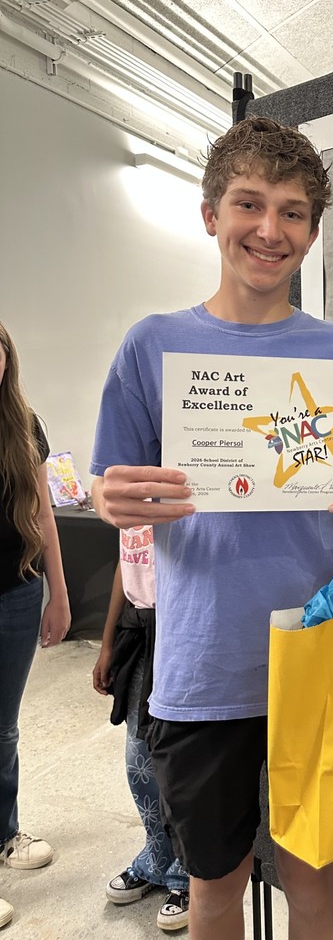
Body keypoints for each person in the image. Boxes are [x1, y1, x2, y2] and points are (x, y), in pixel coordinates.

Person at [89, 116, 333, 940]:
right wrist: (113, 498)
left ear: (313, 231)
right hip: (204, 663)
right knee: (214, 887)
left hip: (320, 654)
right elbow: (110, 484)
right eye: (249, 204)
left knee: (315, 880)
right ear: (210, 215)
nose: (270, 229)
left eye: (293, 212)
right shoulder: (152, 346)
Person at [0, 321, 70, 930]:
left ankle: (5, 833)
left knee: (2, 729)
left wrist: (58, 594)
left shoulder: (23, 422)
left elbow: (45, 513)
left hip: (17, 593)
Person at [93, 527, 190, 932]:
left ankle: (187, 872)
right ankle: (157, 856)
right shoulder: (132, 490)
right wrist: (108, 642)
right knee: (139, 762)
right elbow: (125, 563)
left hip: (180, 633)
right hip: (138, 631)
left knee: (181, 763)